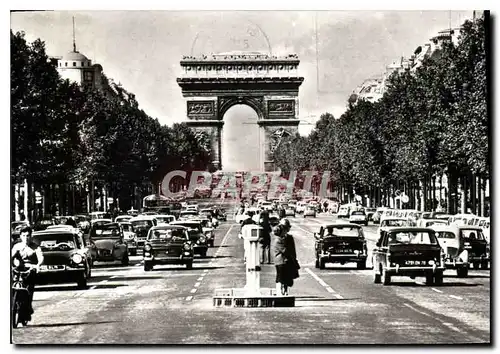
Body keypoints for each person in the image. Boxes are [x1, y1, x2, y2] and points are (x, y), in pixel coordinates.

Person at [11, 226, 44, 326]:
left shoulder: (35, 247)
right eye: (24, 235)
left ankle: (24, 315)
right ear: (20, 236)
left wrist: (37, 265)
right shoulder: (17, 246)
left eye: (28, 236)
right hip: (18, 270)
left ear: (31, 236)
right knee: (12, 290)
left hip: (30, 272)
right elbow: (11, 256)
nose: (26, 238)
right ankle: (14, 306)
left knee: (28, 294)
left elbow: (40, 257)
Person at [273, 218, 300, 296]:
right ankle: (280, 291)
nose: (286, 230)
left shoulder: (289, 238)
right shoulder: (278, 240)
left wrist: (294, 259)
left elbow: (292, 249)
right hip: (281, 261)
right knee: (280, 277)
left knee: (288, 278)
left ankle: (285, 290)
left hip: (287, 260)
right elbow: (284, 250)